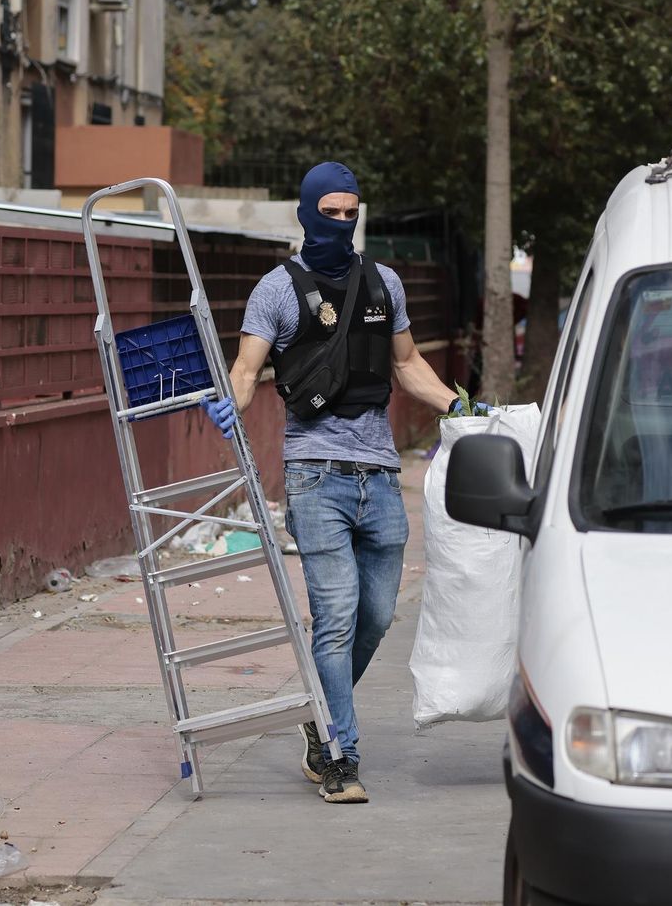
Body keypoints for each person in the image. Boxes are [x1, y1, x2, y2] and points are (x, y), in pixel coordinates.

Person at [201, 162, 481, 803]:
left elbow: (407, 363)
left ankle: (319, 712)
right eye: (329, 212)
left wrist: (461, 406)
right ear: (306, 213)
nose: (342, 222)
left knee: (375, 618)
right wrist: (229, 402)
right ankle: (339, 757)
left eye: (351, 212)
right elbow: (246, 368)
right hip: (315, 474)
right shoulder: (276, 289)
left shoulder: (384, 282)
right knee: (335, 619)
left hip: (380, 475)